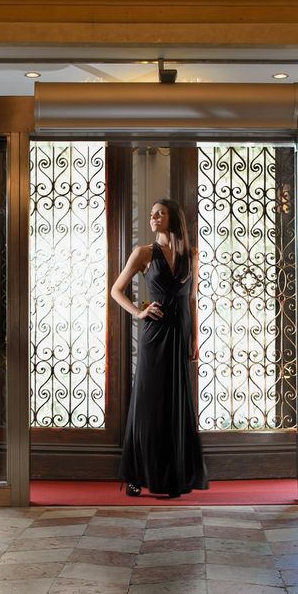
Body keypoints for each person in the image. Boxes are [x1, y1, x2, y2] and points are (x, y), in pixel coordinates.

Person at [110, 198, 207, 499]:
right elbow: (116, 290)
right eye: (152, 213)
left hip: (180, 334)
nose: (153, 217)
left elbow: (191, 300)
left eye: (160, 213)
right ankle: (135, 475)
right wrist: (138, 312)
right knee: (147, 405)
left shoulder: (192, 255)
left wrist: (195, 337)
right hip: (154, 335)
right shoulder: (143, 253)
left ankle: (174, 475)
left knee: (176, 404)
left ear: (173, 219)